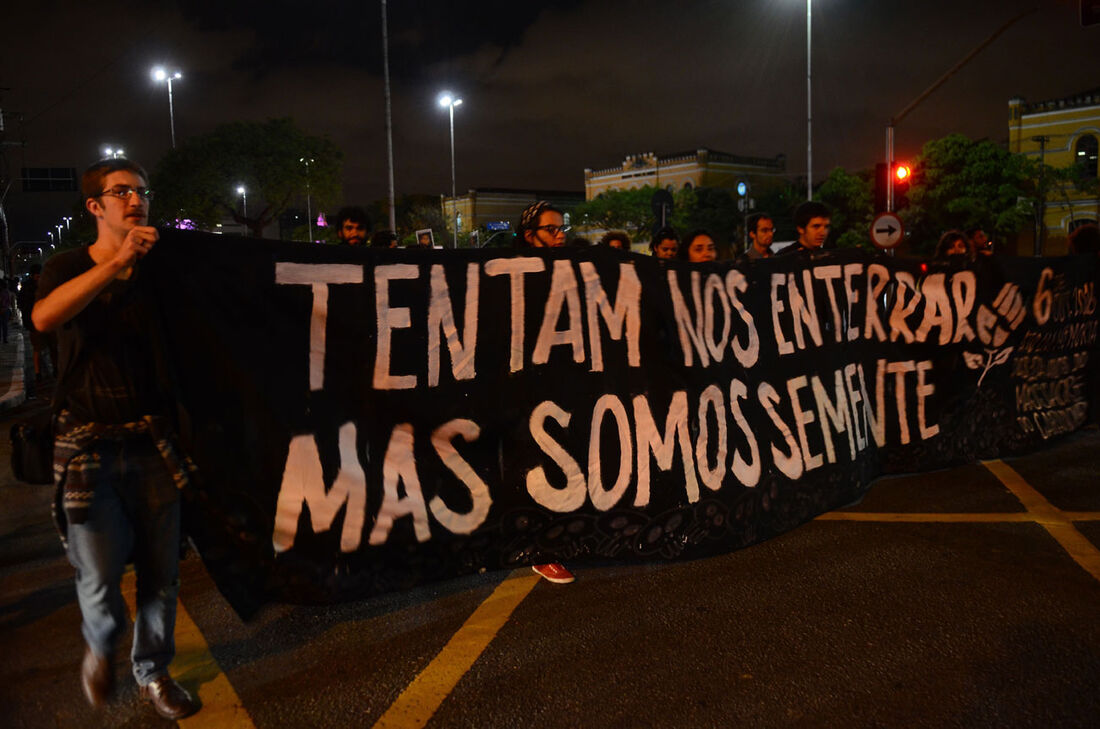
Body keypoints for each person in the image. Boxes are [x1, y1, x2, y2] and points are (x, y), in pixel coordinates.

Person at [32, 158, 200, 720]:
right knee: (100, 575)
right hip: (87, 453)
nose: (136, 200)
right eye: (122, 191)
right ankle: (101, 646)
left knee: (161, 573)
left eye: (144, 192)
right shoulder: (67, 266)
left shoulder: (162, 271)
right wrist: (118, 263)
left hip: (153, 445)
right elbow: (46, 317)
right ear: (95, 207)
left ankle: (154, 672)